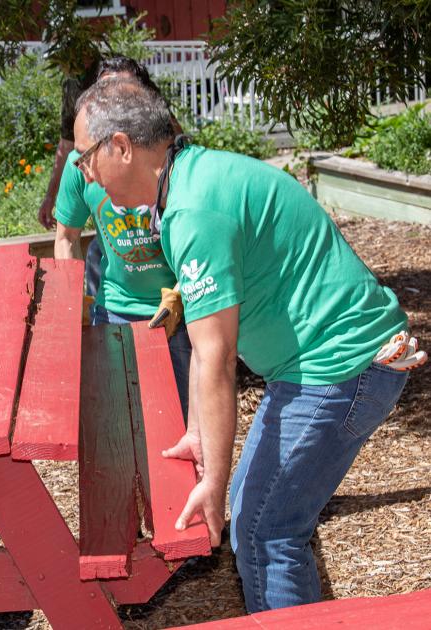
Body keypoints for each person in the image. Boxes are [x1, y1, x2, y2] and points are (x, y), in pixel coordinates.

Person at [73, 76, 423, 613]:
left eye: (85, 158)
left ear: (120, 146)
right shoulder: (190, 180)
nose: (84, 173)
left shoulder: (193, 212)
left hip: (339, 369)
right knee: (257, 514)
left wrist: (213, 478)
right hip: (319, 364)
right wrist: (197, 432)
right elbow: (198, 325)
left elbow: (214, 356)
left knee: (265, 531)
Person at [53, 57, 190, 419]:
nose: (115, 100)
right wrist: (75, 301)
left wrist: (180, 293)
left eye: (126, 93)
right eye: (105, 93)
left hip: (179, 317)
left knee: (181, 421)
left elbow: (201, 235)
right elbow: (66, 238)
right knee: (115, 426)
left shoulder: (176, 159)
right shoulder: (80, 167)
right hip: (113, 312)